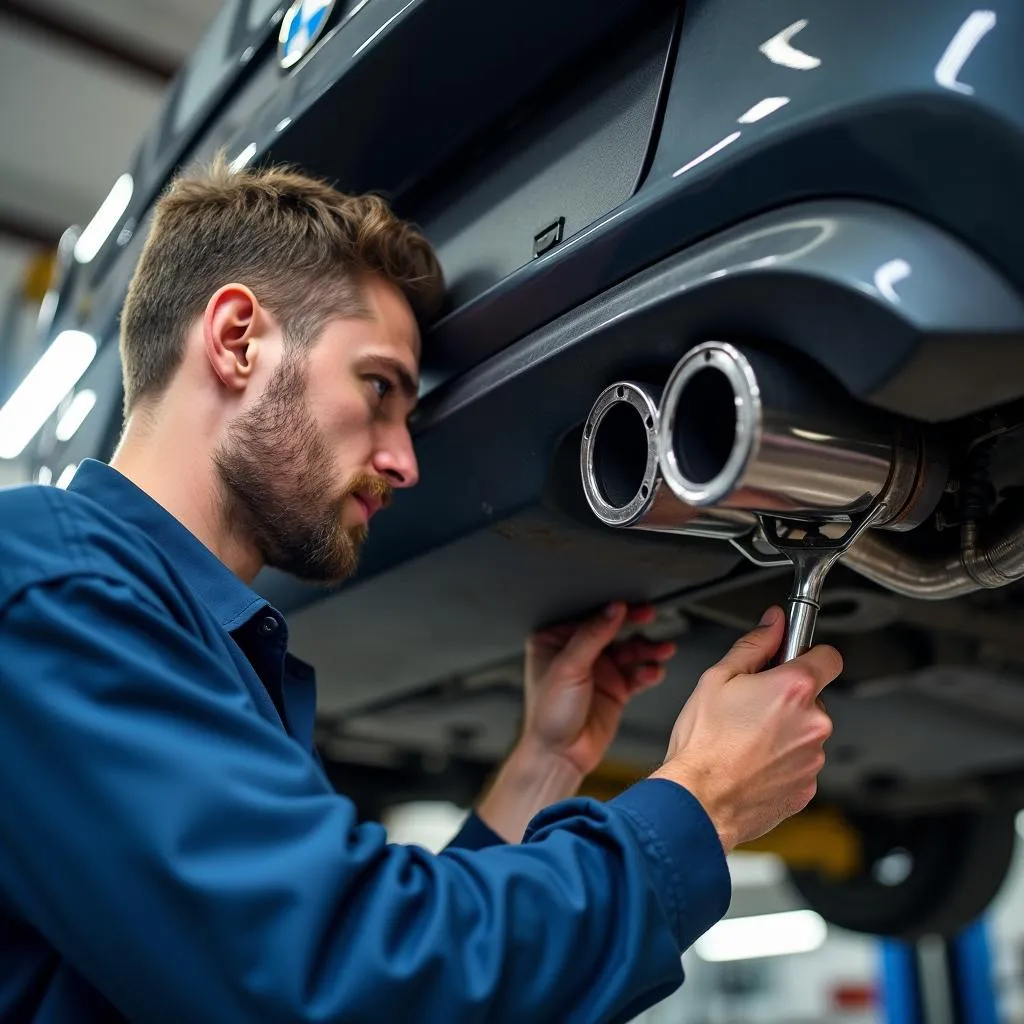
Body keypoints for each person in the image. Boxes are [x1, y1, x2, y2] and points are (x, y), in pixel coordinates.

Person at [0, 159, 840, 1024]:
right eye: (378, 388)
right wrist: (703, 804)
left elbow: (335, 943)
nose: (404, 460)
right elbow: (349, 977)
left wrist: (542, 768)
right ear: (237, 338)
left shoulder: (170, 633)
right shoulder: (48, 584)